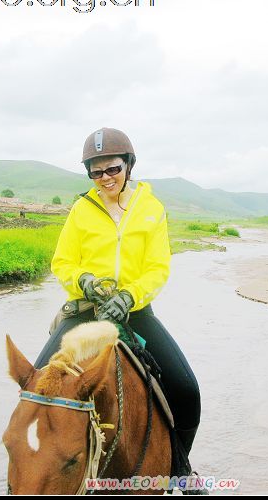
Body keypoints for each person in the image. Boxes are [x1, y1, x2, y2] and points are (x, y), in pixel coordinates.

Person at [34, 127, 201, 481]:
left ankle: (180, 468)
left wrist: (128, 296)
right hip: (85, 312)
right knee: (35, 387)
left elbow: (158, 267)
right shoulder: (81, 209)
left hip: (135, 312)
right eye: (96, 171)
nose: (105, 178)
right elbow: (62, 262)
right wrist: (85, 282)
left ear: (128, 165)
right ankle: (33, 475)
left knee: (186, 391)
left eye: (112, 169)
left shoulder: (152, 209)